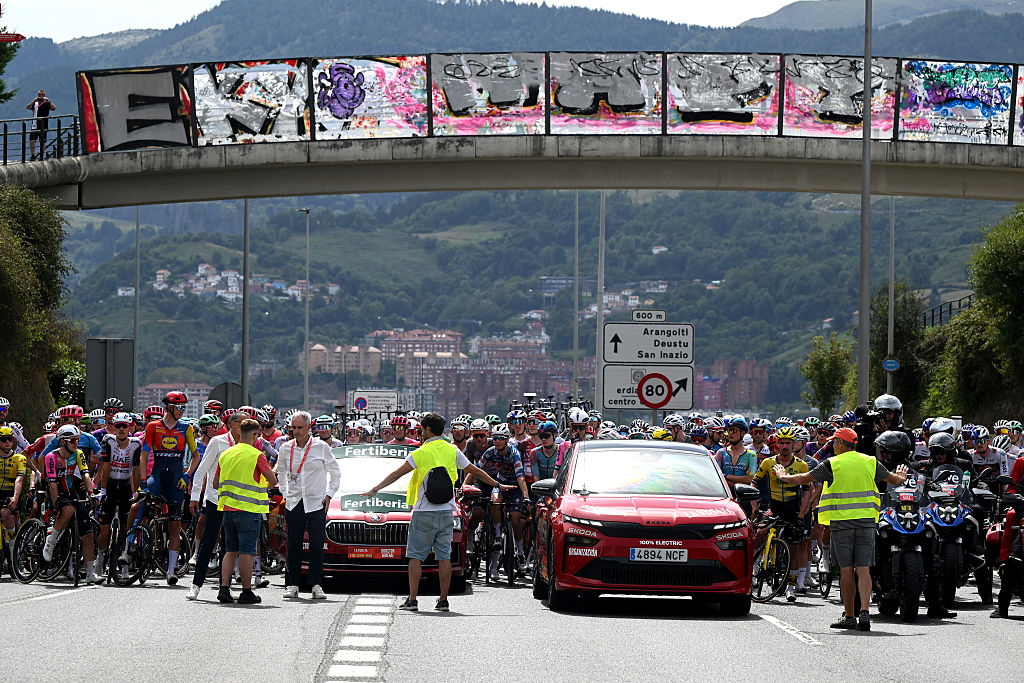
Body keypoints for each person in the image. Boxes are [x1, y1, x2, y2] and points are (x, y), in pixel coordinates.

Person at [361, 413, 508, 612]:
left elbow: (396, 474)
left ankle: (412, 599)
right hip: (448, 511)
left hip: (423, 512)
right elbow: (475, 470)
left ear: (428, 430)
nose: (420, 433)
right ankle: (443, 600)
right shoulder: (452, 450)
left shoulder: (420, 453)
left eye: (422, 429)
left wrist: (374, 489)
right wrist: (498, 484)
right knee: (444, 557)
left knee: (415, 556)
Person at [775, 426, 908, 631]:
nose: (832, 445)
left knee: (846, 570)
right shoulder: (870, 462)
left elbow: (804, 479)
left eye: (834, 442)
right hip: (865, 521)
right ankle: (865, 612)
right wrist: (901, 476)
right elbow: (894, 480)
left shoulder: (832, 463)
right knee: (863, 569)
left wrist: (783, 476)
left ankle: (849, 616)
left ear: (841, 443)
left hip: (841, 522)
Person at [213, 418, 278, 605]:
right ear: (256, 435)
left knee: (230, 550)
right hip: (249, 511)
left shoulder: (226, 454)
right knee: (247, 552)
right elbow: (272, 481)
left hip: (228, 509)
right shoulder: (256, 455)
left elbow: (215, 483)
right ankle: (246, 591)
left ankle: (224, 590)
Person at [279, 411, 341, 600]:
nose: (296, 431)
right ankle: (293, 584)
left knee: (316, 544)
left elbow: (335, 473)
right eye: (293, 428)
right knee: (294, 544)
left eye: (299, 428)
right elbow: (281, 473)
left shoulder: (321, 447)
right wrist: (285, 493)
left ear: (308, 428)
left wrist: (329, 494)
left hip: (316, 502)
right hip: (294, 502)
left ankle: (316, 584)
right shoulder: (285, 448)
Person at [186, 410, 245, 601]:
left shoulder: (247, 444)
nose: (247, 426)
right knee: (208, 542)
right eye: (244, 423)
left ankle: (224, 588)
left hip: (235, 502)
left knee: (230, 546)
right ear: (233, 424)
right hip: (214, 500)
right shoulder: (217, 441)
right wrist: (195, 496)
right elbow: (202, 469)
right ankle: (196, 585)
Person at [141, 391, 197, 585]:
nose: (182, 411)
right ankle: (127, 549)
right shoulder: (153, 426)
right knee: (138, 505)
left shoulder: (186, 428)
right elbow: (143, 454)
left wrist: (187, 474)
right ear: (169, 407)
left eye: (184, 408)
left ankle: (171, 571)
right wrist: (142, 479)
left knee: (174, 524)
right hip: (157, 475)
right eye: (179, 407)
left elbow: (196, 456)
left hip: (175, 479)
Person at [41, 425, 103, 584]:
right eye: (73, 440)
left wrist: (91, 493)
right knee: (67, 510)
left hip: (71, 491)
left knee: (88, 534)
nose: (77, 443)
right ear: (62, 442)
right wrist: (56, 505)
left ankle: (90, 573)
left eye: (78, 440)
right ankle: (51, 542)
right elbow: (53, 484)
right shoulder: (51, 457)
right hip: (55, 492)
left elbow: (86, 475)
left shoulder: (79, 454)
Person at [95, 414, 141, 567]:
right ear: (114, 427)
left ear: (130, 427)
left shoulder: (136, 443)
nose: (121, 429)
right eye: (118, 426)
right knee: (105, 528)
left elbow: (135, 469)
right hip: (110, 486)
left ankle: (123, 559)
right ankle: (100, 560)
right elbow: (106, 466)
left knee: (124, 527)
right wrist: (102, 490)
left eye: (124, 426)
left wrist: (135, 492)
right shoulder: (108, 440)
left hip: (125, 487)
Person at [0, 426, 28, 552]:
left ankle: (12, 539)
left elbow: (20, 479)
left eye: (10, 439)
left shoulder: (20, 458)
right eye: (4, 439)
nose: (7, 442)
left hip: (11, 493)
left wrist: (15, 497)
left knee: (5, 513)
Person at [26, 90, 56, 160]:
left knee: (42, 141)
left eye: (43, 95)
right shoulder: (35, 103)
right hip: (35, 125)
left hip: (44, 125)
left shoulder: (46, 103)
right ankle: (32, 155)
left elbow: (53, 108)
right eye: (40, 95)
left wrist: (49, 101)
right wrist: (34, 101)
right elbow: (28, 107)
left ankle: (42, 155)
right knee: (32, 140)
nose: (41, 96)